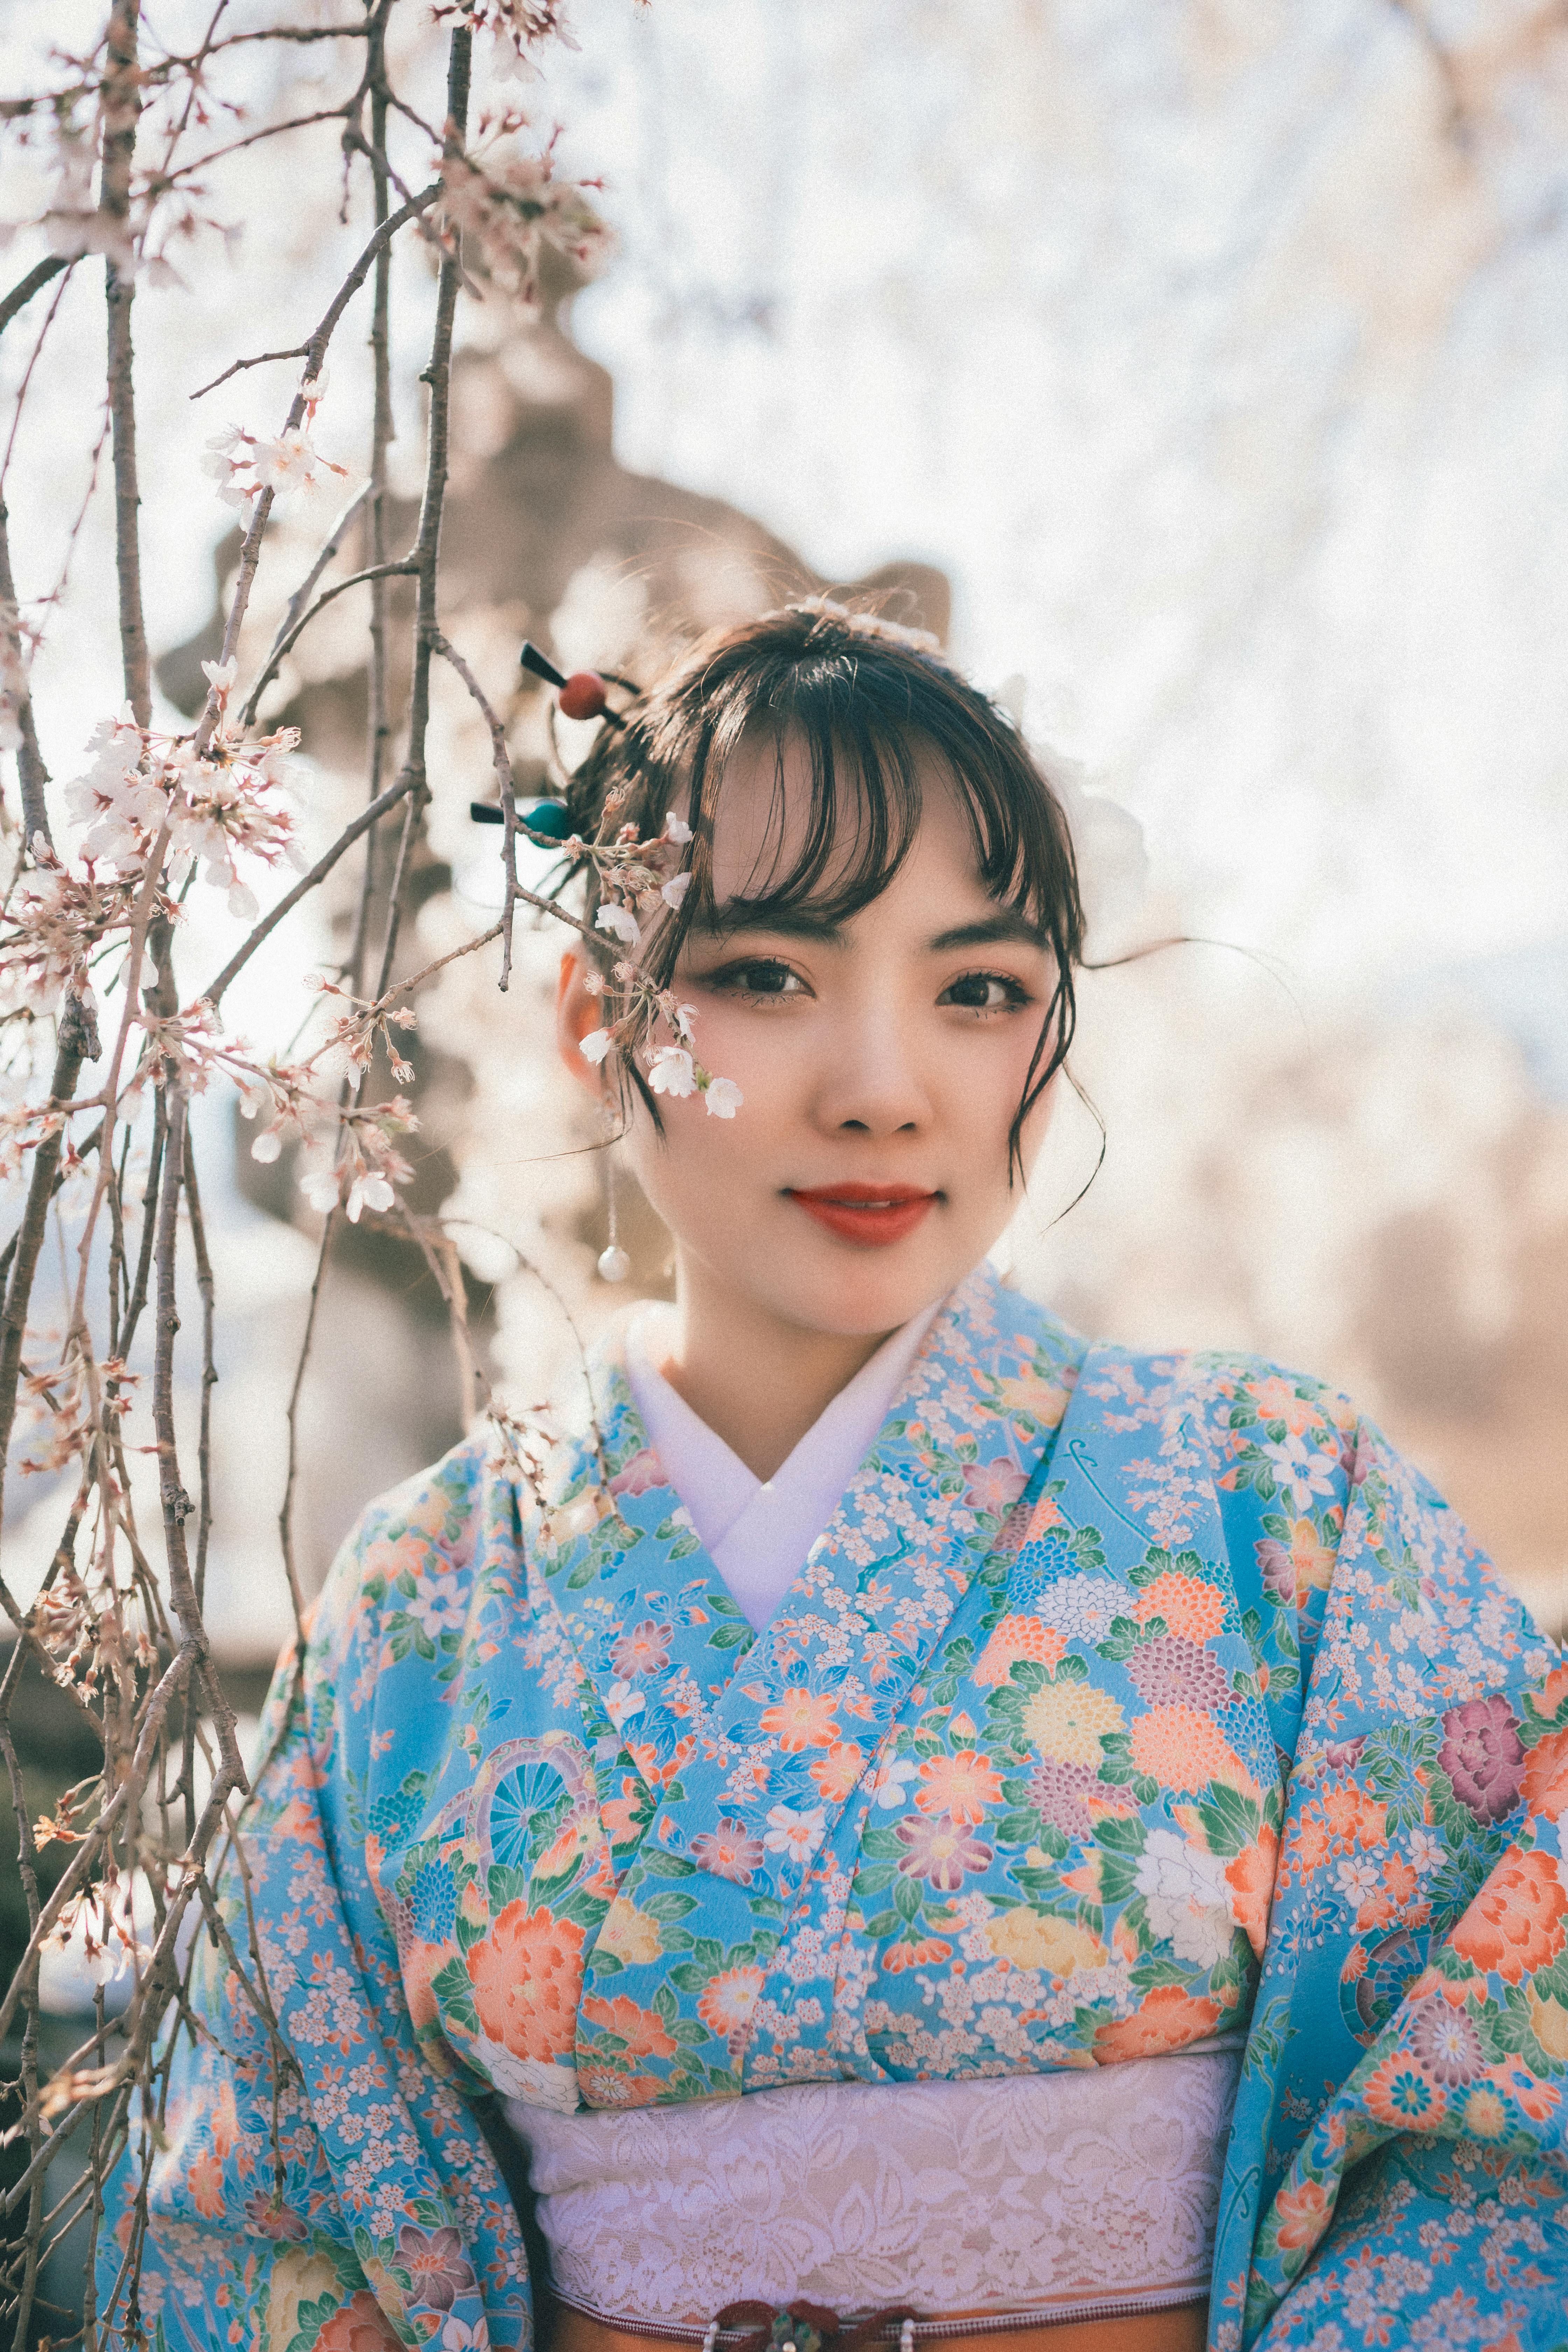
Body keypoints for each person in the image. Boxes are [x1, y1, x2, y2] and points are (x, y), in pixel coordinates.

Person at [104, 604, 1568, 2352]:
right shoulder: (425, 1593)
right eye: (769, 976)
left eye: (978, 992)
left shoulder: (1278, 1507)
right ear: (600, 1018)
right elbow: (263, 2214)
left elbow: (1509, 2119)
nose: (884, 1089)